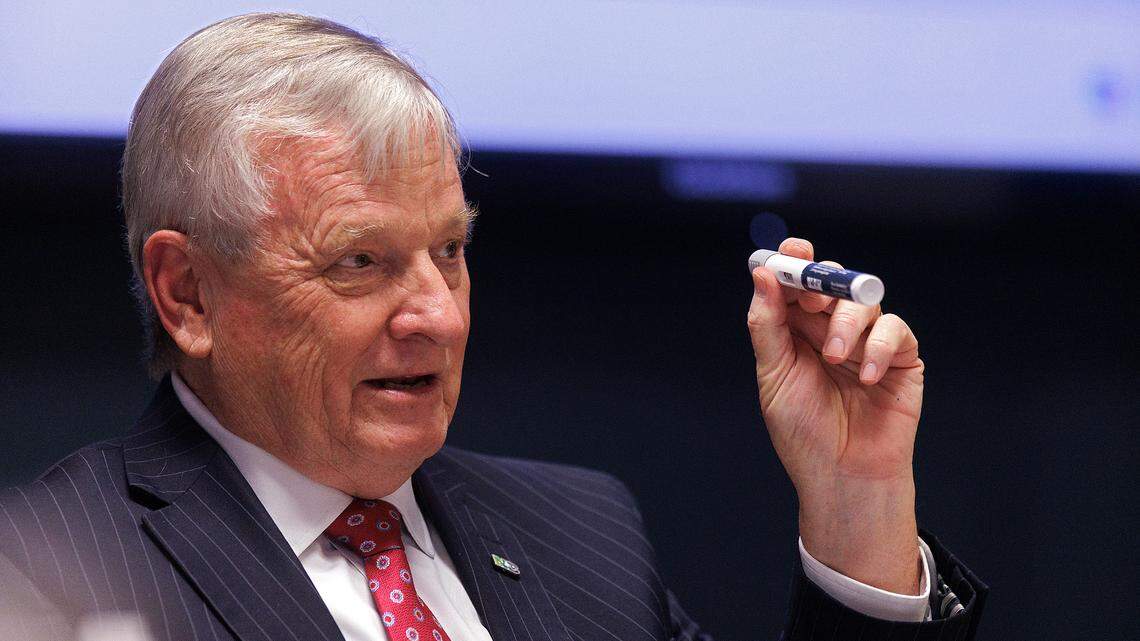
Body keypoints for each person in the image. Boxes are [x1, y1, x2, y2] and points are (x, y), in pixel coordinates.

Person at [0, 13, 986, 641]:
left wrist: (856, 497)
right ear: (188, 295)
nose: (437, 313)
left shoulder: (583, 534)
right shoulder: (54, 577)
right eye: (361, 261)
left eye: (451, 250)